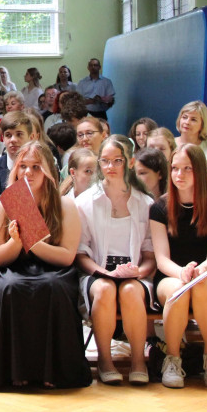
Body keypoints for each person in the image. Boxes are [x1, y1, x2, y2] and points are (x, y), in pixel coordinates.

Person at [0, 141, 90, 391]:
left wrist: (30, 242)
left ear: (48, 171)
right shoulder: (7, 202)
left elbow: (67, 256)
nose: (28, 173)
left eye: (36, 167)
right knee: (10, 287)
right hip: (14, 267)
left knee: (53, 287)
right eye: (23, 166)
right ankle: (15, 371)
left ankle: (55, 371)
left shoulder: (65, 204)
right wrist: (15, 242)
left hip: (55, 269)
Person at [74, 135, 156, 384]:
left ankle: (138, 361)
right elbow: (80, 252)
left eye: (117, 161)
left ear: (129, 162)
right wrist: (102, 272)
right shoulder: (85, 201)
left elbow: (151, 253)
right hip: (97, 271)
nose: (110, 167)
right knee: (105, 290)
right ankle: (105, 360)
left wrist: (139, 272)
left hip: (135, 272)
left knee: (131, 291)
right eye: (105, 161)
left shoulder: (145, 203)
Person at [150, 143, 207, 389]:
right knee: (178, 290)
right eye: (175, 168)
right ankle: (173, 358)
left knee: (202, 287)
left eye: (187, 169)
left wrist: (197, 272)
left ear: (199, 171)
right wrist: (182, 273)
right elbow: (162, 259)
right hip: (171, 275)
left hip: (206, 273)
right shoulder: (160, 207)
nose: (179, 175)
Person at [0, 111, 36, 202]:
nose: (13, 140)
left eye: (19, 134)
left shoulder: (42, 168)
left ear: (31, 137)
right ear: (3, 138)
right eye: (8, 135)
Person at [175, 101, 207, 188]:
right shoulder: (169, 143)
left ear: (202, 125)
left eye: (193, 119)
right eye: (184, 117)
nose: (187, 122)